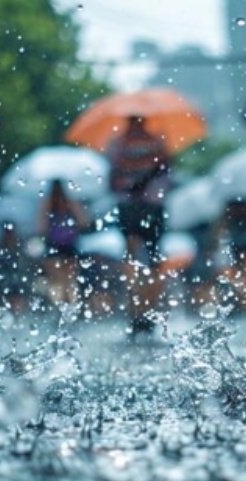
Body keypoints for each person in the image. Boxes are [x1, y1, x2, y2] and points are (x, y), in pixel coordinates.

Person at [106, 115, 172, 335]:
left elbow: (111, 181)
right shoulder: (158, 142)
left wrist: (129, 184)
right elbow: (167, 174)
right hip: (153, 207)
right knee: (154, 261)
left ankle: (135, 312)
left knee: (131, 258)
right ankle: (148, 309)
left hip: (128, 208)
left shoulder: (116, 144)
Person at [39, 179, 90, 305]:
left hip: (53, 245)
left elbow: (42, 227)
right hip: (69, 244)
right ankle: (71, 308)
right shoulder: (70, 202)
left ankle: (58, 307)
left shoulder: (47, 203)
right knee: (69, 281)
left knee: (57, 280)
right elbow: (84, 221)